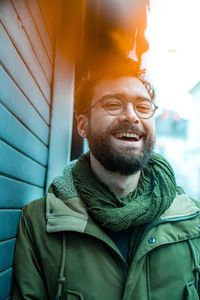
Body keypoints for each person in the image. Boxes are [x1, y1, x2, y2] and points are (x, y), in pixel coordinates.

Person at [13, 58, 200, 300]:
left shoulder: (193, 220)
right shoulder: (39, 223)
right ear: (83, 125)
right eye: (113, 104)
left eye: (143, 107)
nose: (131, 116)